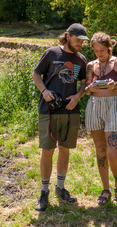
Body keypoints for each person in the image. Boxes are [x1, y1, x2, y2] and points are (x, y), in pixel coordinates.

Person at [32, 23, 88, 212]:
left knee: (65, 149)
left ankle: (60, 188)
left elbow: (84, 83)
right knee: (47, 150)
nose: (81, 43)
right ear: (68, 36)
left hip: (71, 111)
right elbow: (35, 73)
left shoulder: (81, 59)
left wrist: (78, 96)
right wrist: (45, 91)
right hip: (48, 110)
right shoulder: (51, 53)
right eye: (78, 39)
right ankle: (44, 191)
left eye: (83, 41)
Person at [84, 31, 117, 205]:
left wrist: (115, 85)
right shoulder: (90, 66)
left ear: (109, 47)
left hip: (113, 106)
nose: (99, 54)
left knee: (113, 152)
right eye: (96, 51)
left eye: (102, 50)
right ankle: (106, 188)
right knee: (101, 150)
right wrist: (91, 89)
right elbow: (86, 89)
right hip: (94, 106)